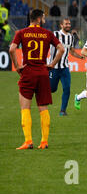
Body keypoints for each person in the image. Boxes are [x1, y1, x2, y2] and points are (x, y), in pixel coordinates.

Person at [9, 9, 64, 149]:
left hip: (28, 72)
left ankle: (28, 141)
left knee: (25, 108)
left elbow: (12, 49)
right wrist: (52, 64)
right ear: (39, 19)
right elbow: (61, 49)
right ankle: (44, 142)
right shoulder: (47, 34)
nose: (44, 20)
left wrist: (17, 66)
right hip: (43, 73)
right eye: (43, 17)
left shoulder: (21, 33)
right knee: (43, 108)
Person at [49, 18, 85, 116]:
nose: (68, 25)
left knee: (67, 88)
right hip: (53, 67)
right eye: (66, 24)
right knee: (52, 89)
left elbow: (72, 51)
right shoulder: (55, 34)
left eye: (69, 23)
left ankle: (62, 111)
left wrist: (80, 57)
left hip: (64, 67)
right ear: (61, 25)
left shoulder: (70, 37)